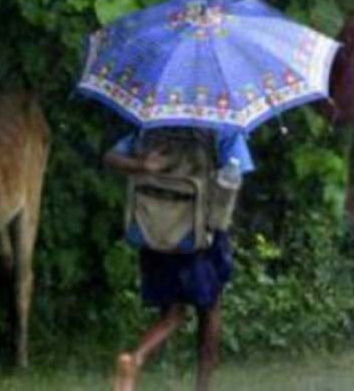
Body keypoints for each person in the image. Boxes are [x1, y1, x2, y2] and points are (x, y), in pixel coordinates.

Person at [105, 126, 254, 391]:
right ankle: (201, 387)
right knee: (210, 310)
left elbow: (111, 158)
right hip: (198, 235)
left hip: (155, 230)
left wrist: (142, 165)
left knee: (172, 313)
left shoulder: (153, 124)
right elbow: (236, 172)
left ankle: (135, 358)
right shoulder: (223, 127)